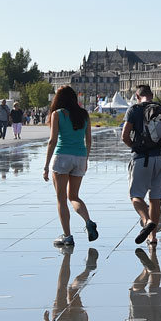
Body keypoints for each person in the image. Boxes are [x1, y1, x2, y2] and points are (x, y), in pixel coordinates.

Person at [121, 85, 161, 245]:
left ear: (137, 96)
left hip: (141, 158)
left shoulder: (134, 110)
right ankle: (152, 237)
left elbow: (124, 136)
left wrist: (136, 147)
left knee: (136, 196)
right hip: (160, 158)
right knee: (155, 198)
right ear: (152, 95)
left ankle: (147, 221)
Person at [42, 85, 98, 246]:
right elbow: (89, 140)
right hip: (80, 157)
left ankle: (67, 235)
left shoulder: (57, 114)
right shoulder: (84, 114)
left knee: (61, 199)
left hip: (62, 157)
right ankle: (88, 221)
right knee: (74, 196)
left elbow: (52, 141)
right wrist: (85, 159)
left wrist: (46, 165)